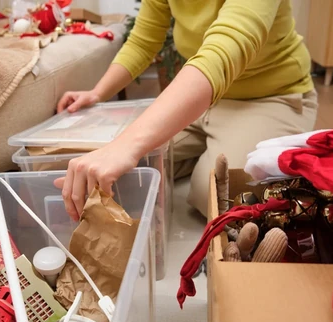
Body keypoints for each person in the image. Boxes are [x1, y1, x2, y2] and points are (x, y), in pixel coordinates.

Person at [54, 0, 318, 222]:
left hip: (270, 96)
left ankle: (220, 152)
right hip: (206, 98)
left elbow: (226, 48)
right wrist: (98, 92)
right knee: (104, 168)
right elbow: (143, 42)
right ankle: (207, 151)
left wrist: (128, 144)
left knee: (217, 195)